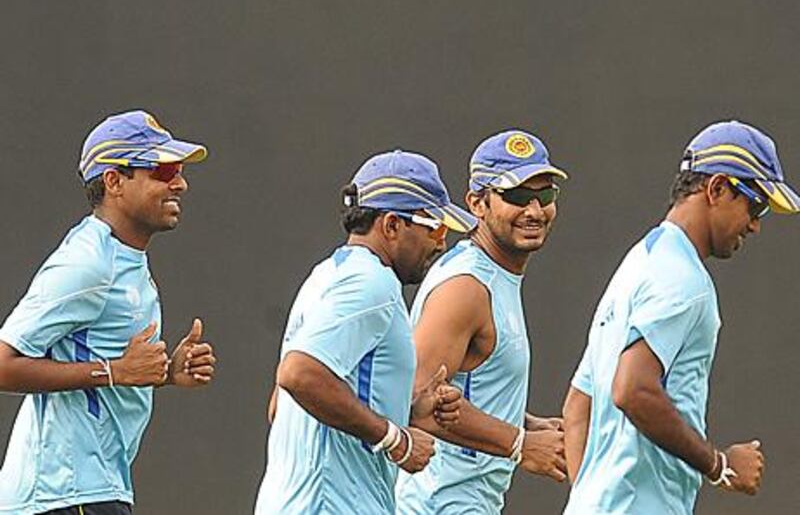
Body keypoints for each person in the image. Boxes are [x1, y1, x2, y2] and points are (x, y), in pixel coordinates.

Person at [562, 120, 795, 514]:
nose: (755, 225)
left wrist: (591, 500)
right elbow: (632, 389)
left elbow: (576, 408)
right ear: (717, 188)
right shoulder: (683, 278)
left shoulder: (638, 263)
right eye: (754, 206)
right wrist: (719, 465)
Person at [0, 110, 217, 515]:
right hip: (63, 495)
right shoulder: (88, 263)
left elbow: (96, 358)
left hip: (89, 491)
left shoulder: (123, 257)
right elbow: (3, 364)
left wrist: (165, 373)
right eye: (163, 169)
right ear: (114, 181)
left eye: (180, 170)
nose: (180, 183)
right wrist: (116, 371)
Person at [254, 150, 475, 514]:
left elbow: (281, 405)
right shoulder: (371, 284)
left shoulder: (325, 276)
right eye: (434, 226)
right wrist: (395, 439)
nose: (441, 242)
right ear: (391, 226)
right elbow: (298, 374)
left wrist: (408, 410)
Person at [395, 129, 570, 515]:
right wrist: (520, 442)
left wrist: (526, 422)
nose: (535, 210)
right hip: (437, 504)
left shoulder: (494, 276)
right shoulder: (466, 288)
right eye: (518, 197)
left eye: (546, 195)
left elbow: (459, 387)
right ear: (477, 203)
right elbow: (414, 402)